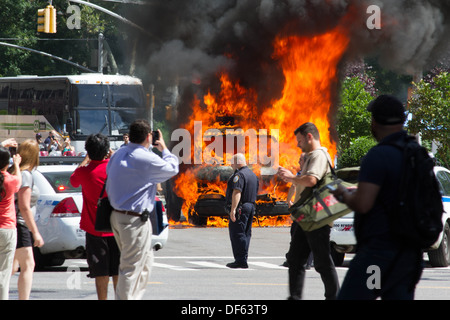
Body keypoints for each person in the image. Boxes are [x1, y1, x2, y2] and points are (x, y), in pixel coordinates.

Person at [331, 95, 423, 300]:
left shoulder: (379, 155)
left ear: (376, 121)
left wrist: (344, 195)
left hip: (378, 256)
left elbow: (363, 204)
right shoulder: (417, 153)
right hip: (409, 255)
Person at [106, 119, 178, 300]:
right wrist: (163, 149)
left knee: (145, 263)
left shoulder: (119, 153)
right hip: (133, 219)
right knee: (130, 268)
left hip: (119, 216)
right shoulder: (144, 157)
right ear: (148, 136)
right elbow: (172, 168)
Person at [278, 122, 339, 300]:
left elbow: (312, 180)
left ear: (309, 137)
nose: (298, 144)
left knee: (322, 261)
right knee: (295, 259)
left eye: (299, 140)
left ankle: (333, 297)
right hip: (307, 217)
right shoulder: (312, 156)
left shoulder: (319, 155)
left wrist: (291, 177)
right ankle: (295, 296)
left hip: (317, 218)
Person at [70, 133, 120, 300]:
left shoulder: (83, 173)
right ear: (107, 151)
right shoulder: (115, 168)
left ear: (89, 152)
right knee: (118, 270)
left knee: (100, 271)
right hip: (117, 227)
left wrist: (86, 160)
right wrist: (113, 156)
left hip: (94, 229)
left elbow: (73, 180)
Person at [11, 139, 44, 300]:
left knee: (11, 267)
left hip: (13, 223)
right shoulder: (26, 175)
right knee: (28, 265)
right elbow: (24, 207)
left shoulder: (15, 171)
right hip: (20, 224)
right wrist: (35, 232)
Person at [225, 153, 259, 269]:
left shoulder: (239, 175)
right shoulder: (253, 175)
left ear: (238, 162)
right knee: (246, 233)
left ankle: (240, 260)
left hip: (241, 207)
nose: (231, 165)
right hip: (251, 206)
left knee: (237, 233)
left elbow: (237, 192)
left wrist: (233, 209)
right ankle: (243, 258)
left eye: (232, 162)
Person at [0, 148, 21, 300]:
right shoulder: (11, 180)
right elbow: (19, 180)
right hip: (7, 228)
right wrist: (18, 165)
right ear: (7, 164)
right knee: (4, 273)